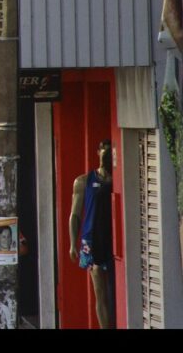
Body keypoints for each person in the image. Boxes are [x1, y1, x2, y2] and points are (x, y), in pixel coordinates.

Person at [69, 139, 115, 329]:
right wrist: (72, 243)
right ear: (98, 152)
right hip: (92, 239)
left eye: (109, 150)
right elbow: (75, 214)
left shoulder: (117, 179)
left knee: (116, 286)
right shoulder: (83, 181)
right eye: (103, 149)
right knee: (100, 291)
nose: (105, 153)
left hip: (112, 238)